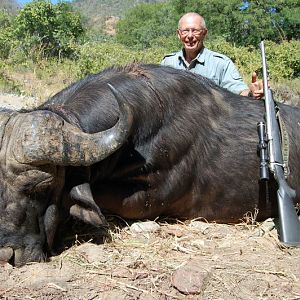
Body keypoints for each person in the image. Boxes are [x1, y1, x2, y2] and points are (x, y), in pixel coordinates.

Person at [161, 12, 263, 99]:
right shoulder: (167, 63)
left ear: (204, 33)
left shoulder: (220, 63)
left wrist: (251, 92)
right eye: (185, 31)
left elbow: (239, 92)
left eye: (195, 31)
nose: (190, 36)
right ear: (179, 34)